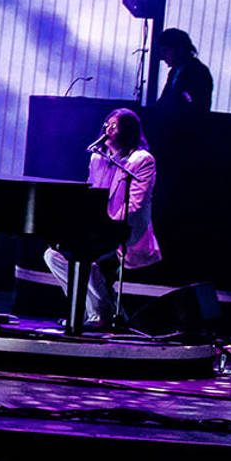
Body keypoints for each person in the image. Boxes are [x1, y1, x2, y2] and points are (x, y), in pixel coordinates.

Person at [44, 107, 161, 330]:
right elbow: (92, 194)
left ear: (127, 131)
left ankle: (100, 316)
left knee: (90, 259)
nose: (107, 129)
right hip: (99, 230)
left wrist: (106, 229)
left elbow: (135, 205)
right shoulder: (98, 158)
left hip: (126, 232)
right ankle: (90, 311)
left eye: (114, 126)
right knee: (53, 255)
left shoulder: (142, 160)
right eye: (106, 124)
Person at [156, 28, 212, 116]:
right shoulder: (174, 72)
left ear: (180, 50)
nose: (162, 57)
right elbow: (163, 101)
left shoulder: (199, 73)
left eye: (166, 51)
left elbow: (194, 105)